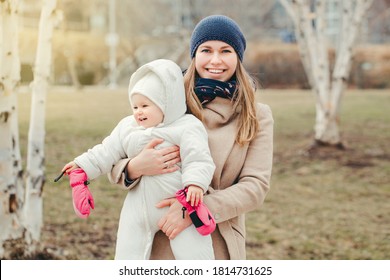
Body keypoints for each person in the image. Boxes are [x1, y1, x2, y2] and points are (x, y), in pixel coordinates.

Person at [110, 15, 274, 260]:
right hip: (160, 236)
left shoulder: (257, 115)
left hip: (216, 235)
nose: (215, 60)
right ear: (194, 55)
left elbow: (255, 187)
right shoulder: (167, 100)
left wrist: (195, 210)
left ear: (237, 57)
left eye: (226, 51)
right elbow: (116, 154)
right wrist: (134, 166)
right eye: (206, 50)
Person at [61, 59, 216, 260]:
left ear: (167, 103)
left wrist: (195, 184)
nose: (138, 112)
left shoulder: (187, 126)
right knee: (128, 251)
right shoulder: (127, 127)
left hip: (176, 205)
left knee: (194, 252)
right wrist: (81, 167)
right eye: (134, 106)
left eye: (145, 105)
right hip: (137, 208)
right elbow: (106, 151)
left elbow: (198, 158)